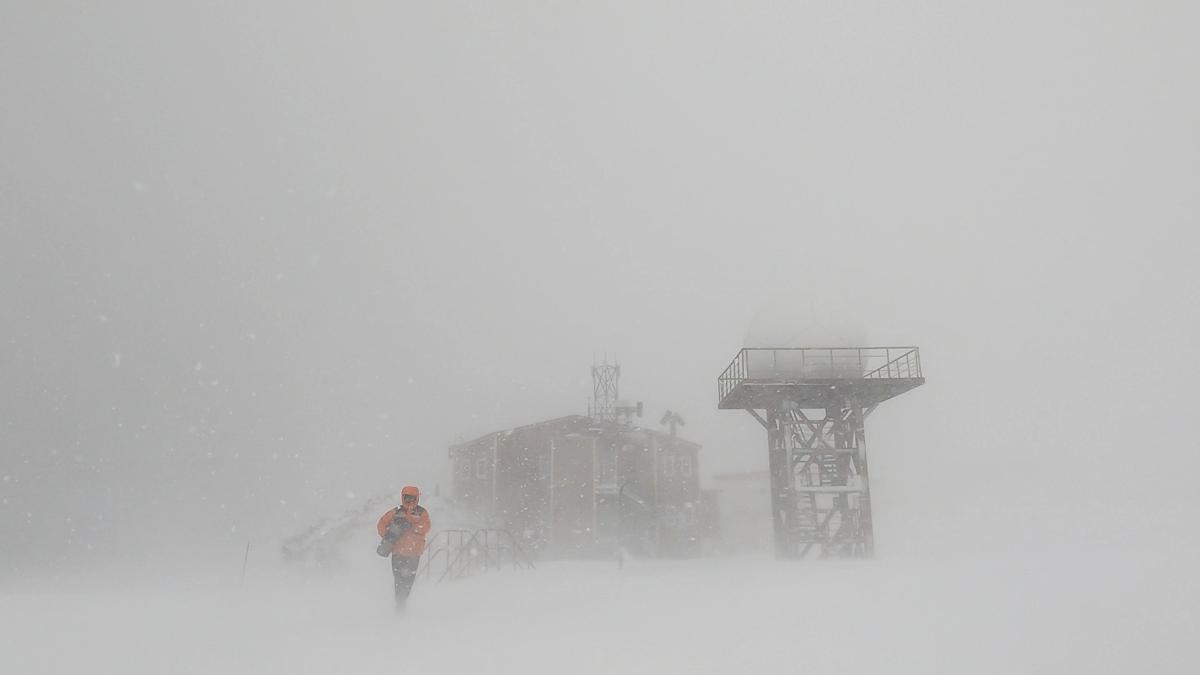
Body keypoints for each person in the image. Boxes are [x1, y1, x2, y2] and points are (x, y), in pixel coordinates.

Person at [376, 485, 432, 612]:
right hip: (398, 553)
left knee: (408, 581)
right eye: (406, 497)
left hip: (414, 554)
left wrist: (411, 527)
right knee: (399, 579)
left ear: (417, 498)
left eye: (412, 498)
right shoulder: (396, 512)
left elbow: (426, 526)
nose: (409, 501)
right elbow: (381, 524)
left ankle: (402, 602)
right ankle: (400, 603)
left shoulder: (422, 512)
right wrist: (388, 534)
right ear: (402, 497)